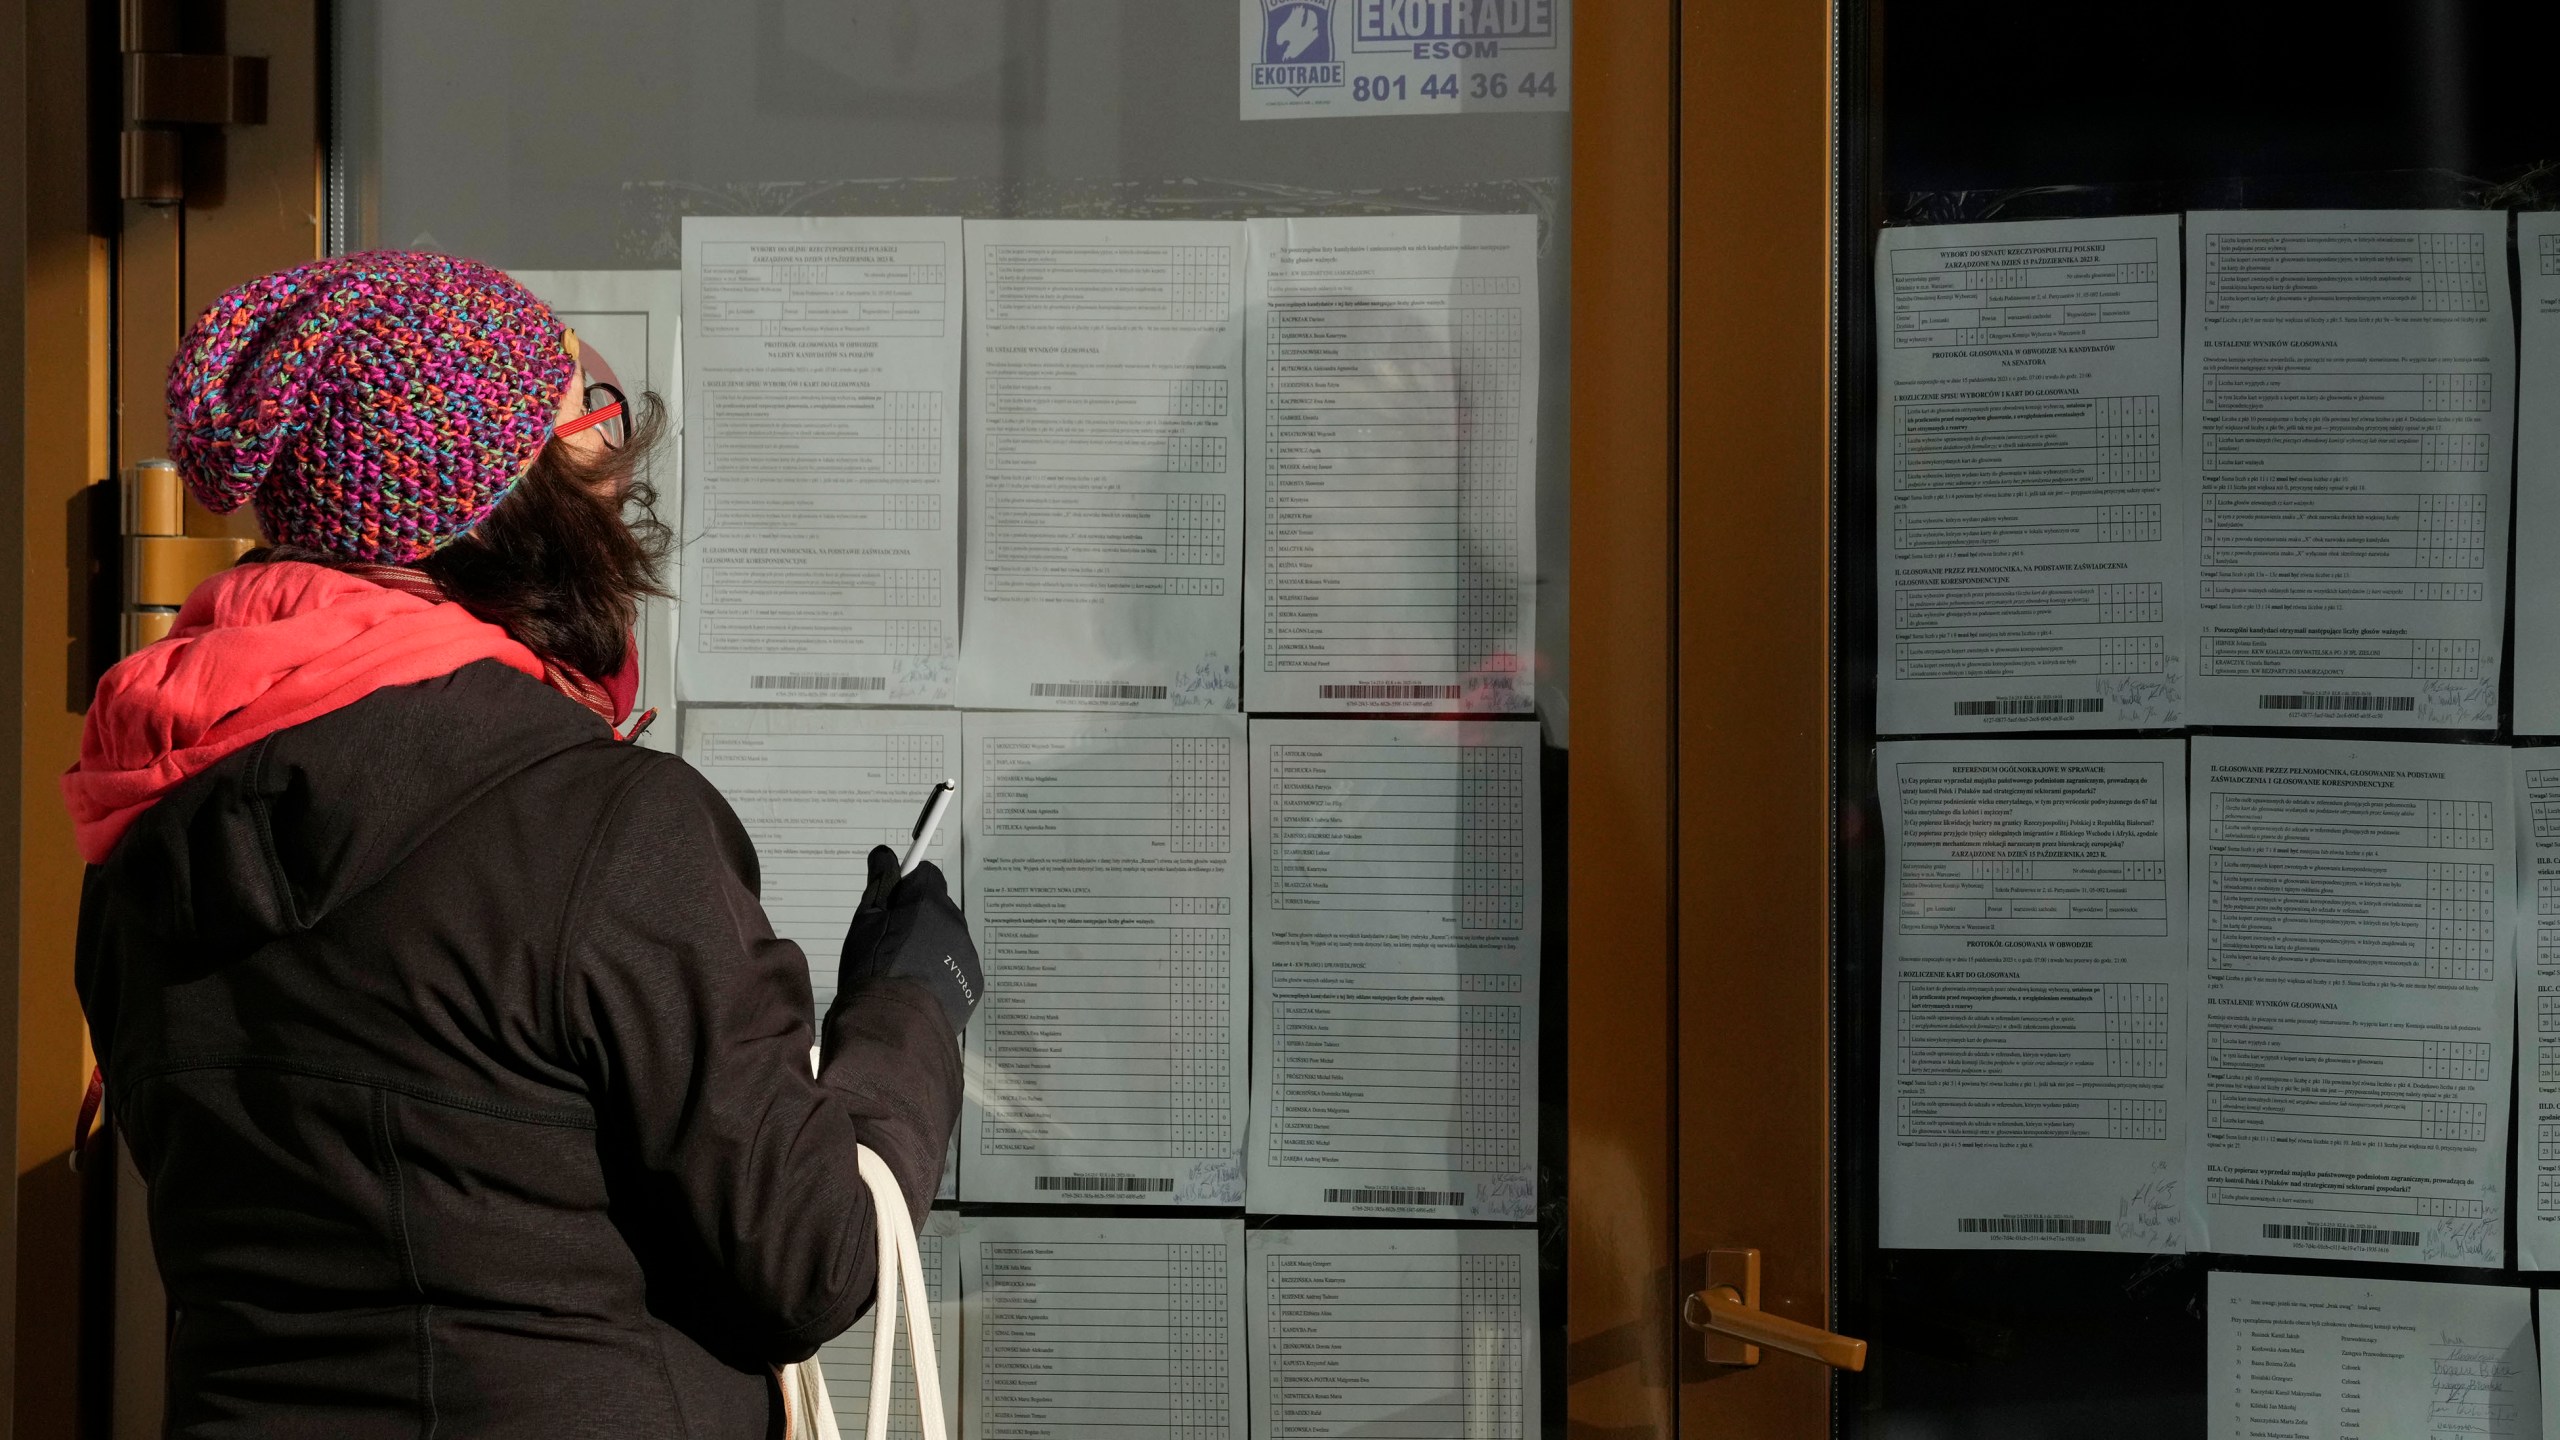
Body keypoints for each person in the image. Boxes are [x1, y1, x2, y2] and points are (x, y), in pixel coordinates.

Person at [65, 250, 980, 1437]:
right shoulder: (599, 827)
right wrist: (908, 1010)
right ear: (503, 503)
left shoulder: (150, 824)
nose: (618, 478)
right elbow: (808, 1255)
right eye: (586, 429)